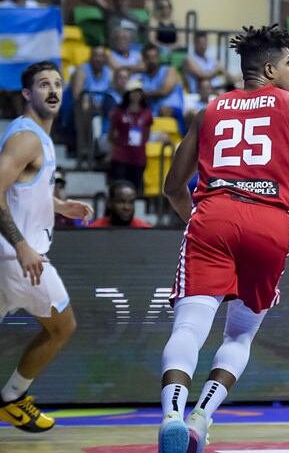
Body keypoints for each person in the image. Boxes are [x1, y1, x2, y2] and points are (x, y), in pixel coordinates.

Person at [156, 25, 289, 453]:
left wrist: (202, 221)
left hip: (213, 213)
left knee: (190, 326)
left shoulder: (209, 110)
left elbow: (173, 186)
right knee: (239, 336)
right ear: (269, 69)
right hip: (271, 223)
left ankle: (171, 413)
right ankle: (200, 419)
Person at [0, 62, 94, 432]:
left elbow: (21, 186)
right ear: (27, 94)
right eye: (43, 85)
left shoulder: (39, 136)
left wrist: (58, 205)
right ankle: (11, 398)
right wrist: (22, 246)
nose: (53, 90)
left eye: (57, 84)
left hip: (12, 257)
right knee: (62, 326)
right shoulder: (26, 138)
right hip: (18, 259)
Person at [71, 44, 113, 169]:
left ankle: (104, 148)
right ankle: (85, 148)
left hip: (103, 108)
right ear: (91, 57)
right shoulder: (82, 70)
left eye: (101, 56)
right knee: (85, 101)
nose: (98, 59)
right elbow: (76, 94)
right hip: (83, 108)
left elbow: (113, 92)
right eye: (96, 55)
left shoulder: (109, 73)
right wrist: (93, 104)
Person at [108, 79, 153, 194]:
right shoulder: (119, 112)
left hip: (138, 157)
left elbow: (147, 134)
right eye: (133, 92)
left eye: (138, 92)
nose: (136, 95)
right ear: (128, 94)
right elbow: (111, 133)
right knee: (118, 189)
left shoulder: (146, 113)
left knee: (135, 191)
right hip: (121, 156)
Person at [138, 44, 185, 120]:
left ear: (159, 58)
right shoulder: (142, 76)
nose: (151, 60)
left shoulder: (170, 70)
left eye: (154, 57)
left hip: (174, 111)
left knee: (164, 110)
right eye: (148, 58)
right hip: (153, 114)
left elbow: (164, 91)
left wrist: (143, 95)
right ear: (143, 59)